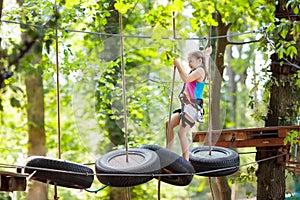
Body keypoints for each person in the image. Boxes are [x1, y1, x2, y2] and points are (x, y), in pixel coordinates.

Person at [166, 46, 212, 161]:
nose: (189, 63)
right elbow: (187, 77)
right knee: (169, 124)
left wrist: (178, 65)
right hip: (186, 106)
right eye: (188, 61)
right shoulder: (199, 69)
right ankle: (168, 152)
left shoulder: (200, 71)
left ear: (199, 61)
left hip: (193, 107)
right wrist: (207, 54)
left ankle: (186, 160)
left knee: (182, 132)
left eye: (191, 61)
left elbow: (186, 79)